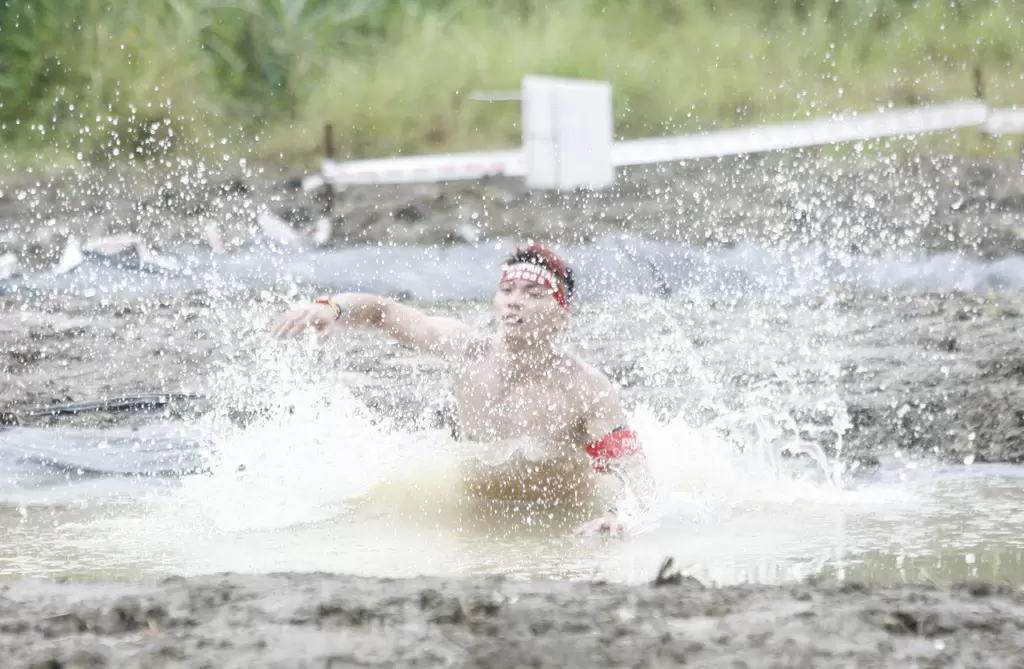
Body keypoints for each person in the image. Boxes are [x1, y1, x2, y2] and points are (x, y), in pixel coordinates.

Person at [270, 243, 655, 537]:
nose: (515, 302)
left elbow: (635, 472)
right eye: (508, 290)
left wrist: (620, 518)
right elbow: (383, 312)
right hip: (477, 510)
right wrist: (331, 308)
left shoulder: (585, 388)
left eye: (534, 295)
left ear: (562, 315)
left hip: (562, 518)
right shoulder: (467, 350)